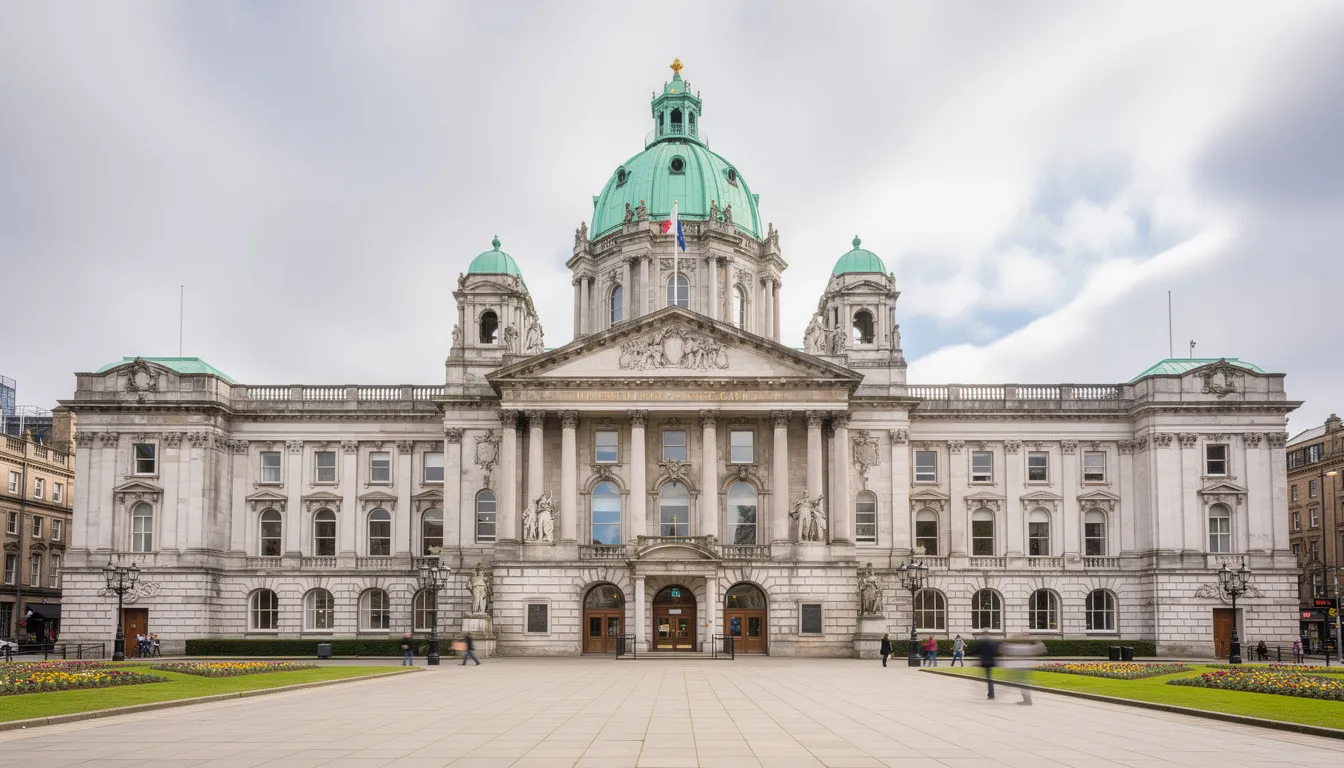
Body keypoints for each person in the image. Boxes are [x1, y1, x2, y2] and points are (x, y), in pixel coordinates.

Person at [978, 634, 999, 699]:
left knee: (989, 678)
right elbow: (996, 652)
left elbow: (978, 651)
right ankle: (991, 693)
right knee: (989, 678)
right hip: (991, 662)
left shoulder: (982, 643)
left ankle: (991, 694)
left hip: (985, 662)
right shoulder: (993, 643)